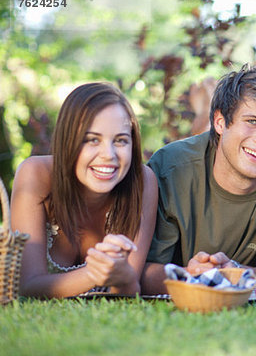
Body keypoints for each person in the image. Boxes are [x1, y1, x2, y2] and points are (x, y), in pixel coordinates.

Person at [140, 64, 256, 294]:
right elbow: (141, 271)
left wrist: (232, 272)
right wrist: (191, 275)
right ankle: (202, 108)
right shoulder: (169, 169)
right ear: (220, 122)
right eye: (252, 121)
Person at [11, 83, 158, 298]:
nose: (108, 154)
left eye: (120, 140)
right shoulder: (35, 174)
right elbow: (28, 285)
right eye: (92, 140)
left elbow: (127, 290)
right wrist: (95, 274)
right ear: (67, 140)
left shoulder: (143, 181)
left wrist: (123, 276)